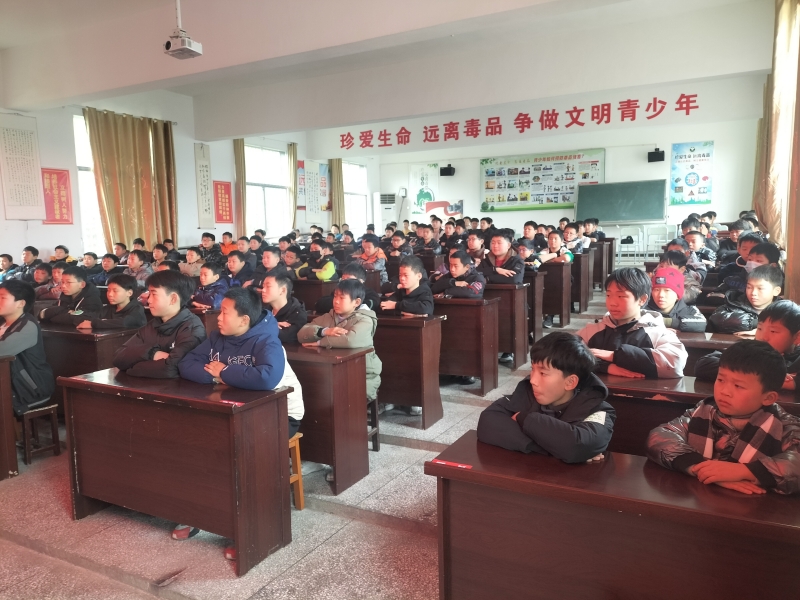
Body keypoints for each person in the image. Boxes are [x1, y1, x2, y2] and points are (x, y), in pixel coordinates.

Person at [176, 287, 304, 552]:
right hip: (235, 410)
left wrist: (225, 372)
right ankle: (202, 513)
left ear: (244, 319)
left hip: (279, 414)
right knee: (193, 444)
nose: (218, 317)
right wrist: (216, 377)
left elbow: (267, 378)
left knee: (240, 456)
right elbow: (186, 364)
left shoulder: (267, 341)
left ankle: (251, 532)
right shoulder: (217, 338)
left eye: (225, 312)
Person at [647, 340, 800, 495]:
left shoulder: (784, 426)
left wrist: (745, 471)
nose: (724, 391)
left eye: (738, 386)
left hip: (754, 505)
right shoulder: (704, 411)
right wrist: (705, 470)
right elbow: (660, 437)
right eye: (721, 380)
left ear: (768, 398)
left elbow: (796, 463)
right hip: (700, 497)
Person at [477, 332, 615, 462]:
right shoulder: (525, 395)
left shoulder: (598, 410)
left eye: (543, 373)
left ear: (570, 382)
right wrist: (555, 449)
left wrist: (524, 418)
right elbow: (487, 423)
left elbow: (578, 446)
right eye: (532, 369)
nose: (533, 380)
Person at [298, 279, 381, 481]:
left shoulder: (365, 319)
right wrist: (325, 330)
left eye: (341, 297)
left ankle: (344, 461)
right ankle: (317, 457)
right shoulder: (329, 317)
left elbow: (351, 340)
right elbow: (302, 333)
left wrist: (319, 342)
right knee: (313, 403)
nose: (335, 301)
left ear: (356, 302)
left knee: (338, 407)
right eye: (334, 296)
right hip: (331, 377)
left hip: (361, 378)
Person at [577, 268, 687, 379]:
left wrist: (615, 356)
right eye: (608, 295)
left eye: (621, 296)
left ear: (642, 299)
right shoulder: (593, 330)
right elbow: (568, 354)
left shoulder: (656, 333)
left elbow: (675, 363)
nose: (612, 303)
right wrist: (605, 366)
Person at [113, 271, 206, 378]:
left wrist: (132, 368)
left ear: (173, 299)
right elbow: (119, 358)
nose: (149, 300)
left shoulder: (192, 328)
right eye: (149, 294)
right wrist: (153, 354)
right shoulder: (153, 325)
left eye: (154, 294)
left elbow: (172, 368)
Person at [696, 300, 800, 388]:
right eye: (760, 329)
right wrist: (767, 378)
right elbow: (704, 365)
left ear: (797, 337)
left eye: (773, 331)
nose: (763, 337)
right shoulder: (750, 350)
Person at [0, 279, 55, 416]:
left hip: (28, 388)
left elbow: (2, 350)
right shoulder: (2, 322)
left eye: (2, 298)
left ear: (21, 303)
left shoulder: (27, 326)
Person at [707, 265, 783, 335]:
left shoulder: (783, 310)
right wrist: (758, 325)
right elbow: (718, 319)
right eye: (749, 287)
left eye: (760, 288)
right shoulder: (732, 305)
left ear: (776, 291)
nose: (753, 293)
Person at [75, 274, 147, 330]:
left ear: (129, 293)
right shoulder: (109, 308)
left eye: (115, 291)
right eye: (108, 290)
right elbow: (89, 316)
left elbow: (125, 322)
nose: (110, 294)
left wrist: (94, 323)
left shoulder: (137, 309)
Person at [646, 267, 706, 332]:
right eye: (656, 290)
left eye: (667, 290)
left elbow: (701, 323)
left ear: (677, 295)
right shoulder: (643, 309)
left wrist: (666, 322)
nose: (661, 295)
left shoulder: (690, 310)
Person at [38, 265, 103, 325]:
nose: (63, 286)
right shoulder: (65, 296)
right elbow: (42, 314)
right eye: (62, 282)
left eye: (68, 282)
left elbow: (79, 319)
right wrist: (65, 311)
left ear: (82, 284)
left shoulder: (92, 300)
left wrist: (53, 316)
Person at [314, 263, 381, 313]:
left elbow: (371, 305)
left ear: (361, 281)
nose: (345, 282)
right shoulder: (339, 291)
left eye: (349, 279)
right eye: (343, 279)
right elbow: (320, 304)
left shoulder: (370, 293)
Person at [261, 274, 308, 344]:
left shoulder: (297, 313)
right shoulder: (264, 311)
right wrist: (271, 325)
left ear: (283, 290)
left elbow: (286, 336)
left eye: (268, 286)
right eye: (263, 286)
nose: (263, 290)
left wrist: (266, 326)